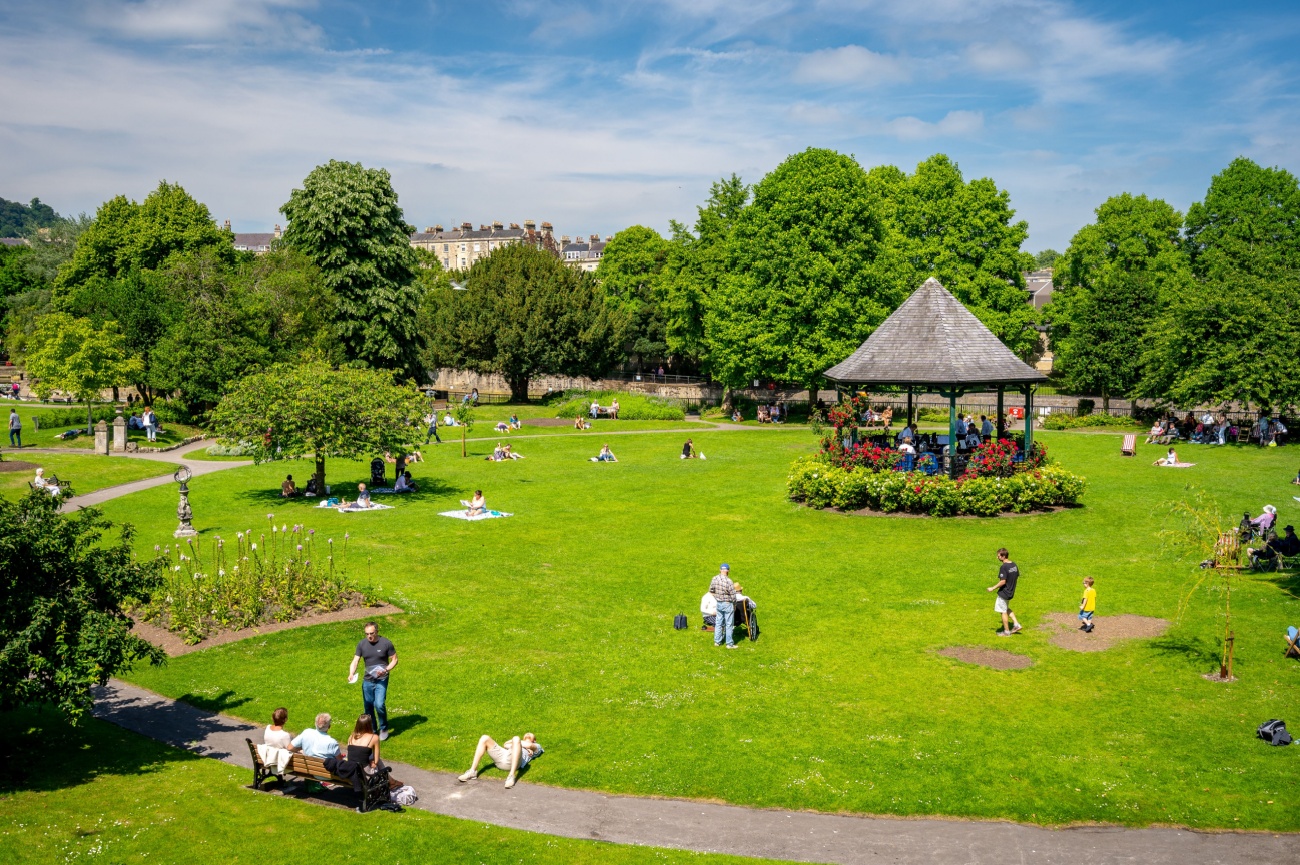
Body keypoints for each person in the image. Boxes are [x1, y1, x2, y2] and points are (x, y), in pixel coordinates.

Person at [348, 622, 397, 741]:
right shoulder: (362, 644)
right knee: (368, 707)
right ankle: (373, 730)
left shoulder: (386, 643)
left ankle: (384, 728)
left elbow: (394, 660)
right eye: (367, 634)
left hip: (381, 679)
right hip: (368, 680)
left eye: (371, 633)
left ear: (377, 632)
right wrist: (351, 673)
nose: (369, 636)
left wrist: (386, 670)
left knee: (379, 705)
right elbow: (355, 661)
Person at [458, 732, 544, 789]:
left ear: (534, 740)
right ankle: (472, 771)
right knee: (485, 738)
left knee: (516, 738)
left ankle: (511, 776)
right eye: (526, 734)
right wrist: (518, 743)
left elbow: (530, 746)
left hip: (514, 762)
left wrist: (522, 744)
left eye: (531, 734)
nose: (528, 733)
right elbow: (505, 744)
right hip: (504, 756)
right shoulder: (517, 743)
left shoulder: (537, 746)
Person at [986, 548, 1022, 636]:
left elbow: (1003, 581)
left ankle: (1006, 632)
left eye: (998, 556)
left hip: (1004, 593)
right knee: (1005, 608)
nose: (997, 557)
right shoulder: (1013, 565)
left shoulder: (1004, 567)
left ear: (1003, 556)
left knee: (1003, 611)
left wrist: (992, 588)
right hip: (1011, 591)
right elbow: (1016, 576)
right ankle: (1016, 624)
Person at [710, 563, 739, 648]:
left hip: (719, 603)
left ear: (720, 570)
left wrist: (717, 597)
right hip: (727, 603)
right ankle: (729, 643)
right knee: (729, 624)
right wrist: (734, 604)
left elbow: (711, 590)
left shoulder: (714, 579)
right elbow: (733, 595)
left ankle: (717, 641)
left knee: (718, 623)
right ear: (728, 570)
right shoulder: (729, 581)